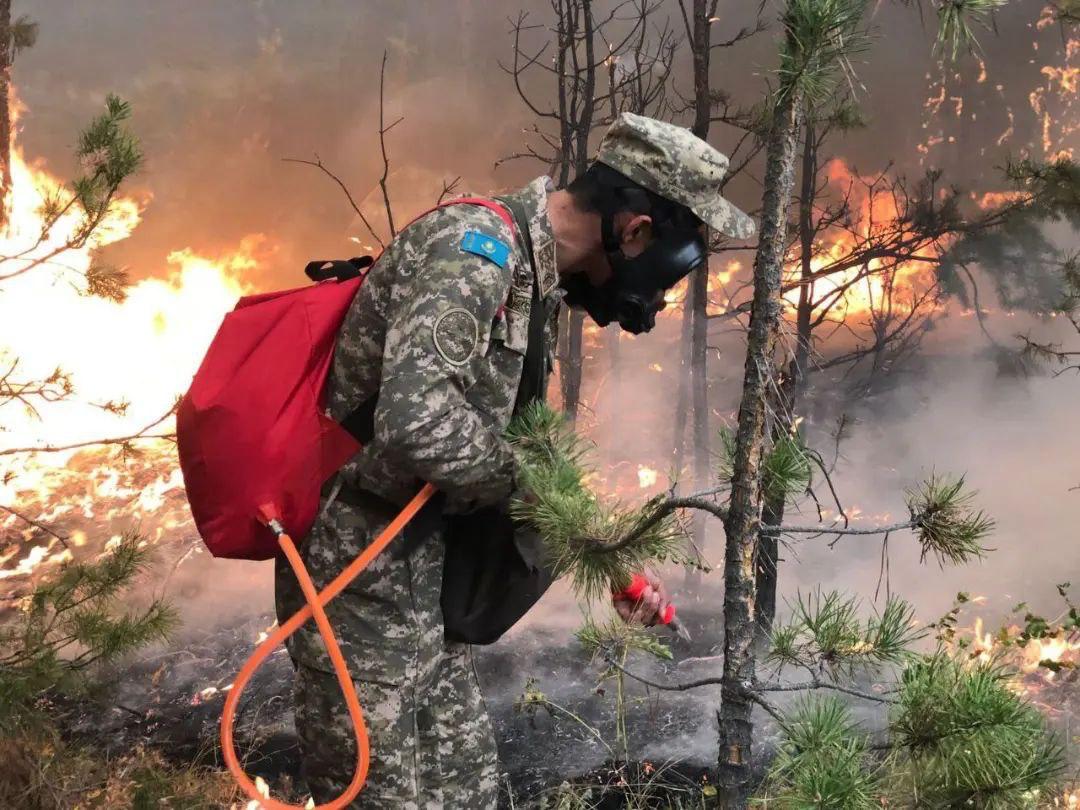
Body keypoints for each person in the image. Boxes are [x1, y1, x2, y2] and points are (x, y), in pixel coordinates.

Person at [274, 112, 755, 808]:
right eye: (674, 261)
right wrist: (531, 491)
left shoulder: (531, 282)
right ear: (636, 229)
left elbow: (518, 452)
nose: (663, 289)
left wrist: (607, 557)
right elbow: (415, 423)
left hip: (423, 596)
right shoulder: (473, 255)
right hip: (357, 595)